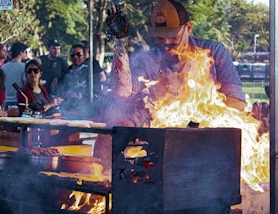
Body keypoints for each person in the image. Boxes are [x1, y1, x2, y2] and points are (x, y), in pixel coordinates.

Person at [102, 0, 246, 127]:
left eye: (172, 35)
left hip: (208, 140)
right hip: (164, 139)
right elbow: (122, 91)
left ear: (188, 28)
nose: (166, 43)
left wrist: (194, 113)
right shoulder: (149, 59)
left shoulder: (213, 51)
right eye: (160, 37)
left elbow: (237, 103)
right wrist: (120, 41)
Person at [56, 44, 102, 118]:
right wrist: (66, 94)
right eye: (72, 55)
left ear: (84, 56)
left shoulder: (90, 73)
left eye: (79, 54)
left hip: (87, 111)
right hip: (68, 111)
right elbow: (59, 91)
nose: (75, 57)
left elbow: (97, 92)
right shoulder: (66, 73)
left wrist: (80, 95)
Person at [2, 41, 28, 109]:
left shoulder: (3, 67)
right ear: (20, 52)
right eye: (25, 52)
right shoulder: (24, 67)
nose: (26, 54)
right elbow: (26, 84)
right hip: (19, 101)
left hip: (6, 100)